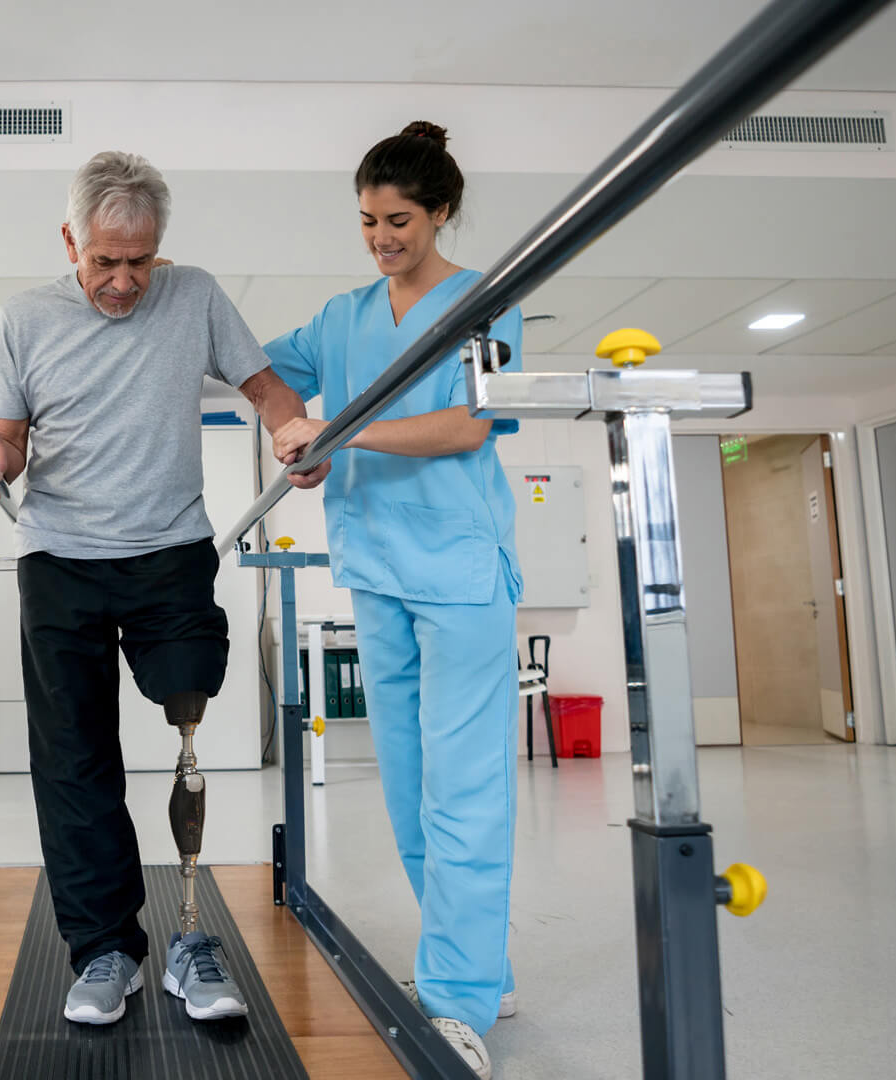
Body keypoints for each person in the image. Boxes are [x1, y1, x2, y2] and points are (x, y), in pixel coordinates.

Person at [0, 150, 323, 1027]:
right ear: (70, 240)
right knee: (74, 761)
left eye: (140, 261)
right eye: (104, 262)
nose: (124, 282)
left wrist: (291, 428)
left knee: (189, 699)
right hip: (61, 558)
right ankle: (107, 949)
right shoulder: (23, 317)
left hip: (170, 550)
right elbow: (7, 438)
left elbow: (265, 385)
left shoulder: (192, 293)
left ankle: (191, 935)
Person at [262, 121, 520, 1080]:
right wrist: (290, 425)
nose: (381, 237)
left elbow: (467, 425)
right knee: (411, 794)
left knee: (467, 792)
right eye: (368, 219)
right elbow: (265, 368)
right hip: (375, 574)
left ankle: (455, 1000)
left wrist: (340, 433)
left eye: (399, 219)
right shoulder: (340, 318)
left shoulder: (486, 301)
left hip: (458, 577)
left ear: (441, 211)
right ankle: (476, 969)